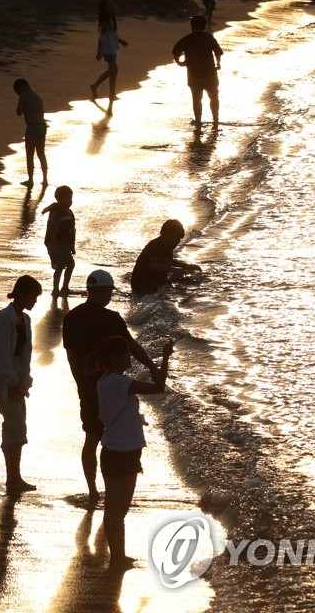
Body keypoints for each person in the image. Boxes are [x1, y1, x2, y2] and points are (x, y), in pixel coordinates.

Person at [62, 270, 159, 501]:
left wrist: (80, 383)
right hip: (113, 387)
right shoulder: (112, 318)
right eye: (109, 291)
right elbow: (131, 346)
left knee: (92, 438)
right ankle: (111, 486)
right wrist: (153, 367)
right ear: (103, 291)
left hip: (87, 387)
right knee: (111, 438)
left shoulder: (72, 317)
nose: (110, 296)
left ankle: (93, 490)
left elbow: (71, 355)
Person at [94, 336, 173, 569]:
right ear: (115, 358)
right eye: (126, 354)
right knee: (118, 510)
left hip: (112, 450)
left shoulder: (105, 381)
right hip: (123, 454)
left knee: (113, 508)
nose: (129, 357)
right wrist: (165, 358)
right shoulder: (119, 382)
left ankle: (118, 555)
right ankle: (117, 557)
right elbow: (159, 387)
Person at [0, 275, 44, 494]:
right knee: (15, 426)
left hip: (17, 383)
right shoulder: (2, 319)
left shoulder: (25, 321)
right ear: (23, 294)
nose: (35, 301)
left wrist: (24, 382)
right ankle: (13, 478)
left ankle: (14, 477)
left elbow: (25, 356)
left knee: (17, 427)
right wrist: (12, 382)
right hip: (4, 383)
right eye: (33, 296)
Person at [172, 15, 223, 128]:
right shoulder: (209, 37)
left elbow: (175, 51)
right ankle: (215, 120)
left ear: (192, 26)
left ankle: (198, 121)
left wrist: (180, 63)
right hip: (210, 72)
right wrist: (218, 63)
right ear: (204, 26)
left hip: (194, 74)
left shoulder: (187, 39)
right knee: (214, 97)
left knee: (196, 99)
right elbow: (218, 52)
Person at [130, 219, 202, 294]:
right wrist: (174, 269)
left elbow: (167, 261)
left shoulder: (168, 246)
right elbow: (153, 265)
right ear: (165, 234)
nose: (177, 241)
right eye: (174, 238)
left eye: (178, 239)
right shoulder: (154, 246)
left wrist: (186, 266)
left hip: (156, 280)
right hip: (142, 284)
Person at [89, 1, 128, 112]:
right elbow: (101, 39)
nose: (112, 8)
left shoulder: (111, 21)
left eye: (111, 6)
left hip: (111, 48)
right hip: (107, 50)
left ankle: (95, 86)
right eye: (109, 7)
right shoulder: (106, 22)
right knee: (114, 70)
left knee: (113, 70)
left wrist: (121, 41)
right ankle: (111, 94)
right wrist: (99, 52)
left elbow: (113, 35)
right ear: (105, 10)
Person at [41, 186, 75, 297]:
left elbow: (72, 231)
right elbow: (51, 231)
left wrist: (72, 245)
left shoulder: (69, 213)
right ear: (59, 199)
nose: (70, 201)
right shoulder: (56, 213)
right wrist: (54, 247)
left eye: (71, 198)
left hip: (65, 244)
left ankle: (65, 287)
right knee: (60, 266)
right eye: (67, 199)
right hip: (54, 244)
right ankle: (55, 289)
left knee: (71, 264)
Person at [13, 78, 48, 188]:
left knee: (30, 155)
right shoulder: (37, 96)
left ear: (22, 87)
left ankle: (31, 180)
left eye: (17, 89)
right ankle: (45, 179)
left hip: (32, 127)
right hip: (42, 126)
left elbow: (19, 112)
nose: (17, 92)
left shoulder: (24, 96)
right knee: (41, 154)